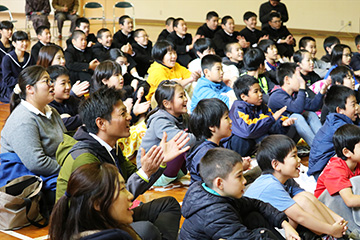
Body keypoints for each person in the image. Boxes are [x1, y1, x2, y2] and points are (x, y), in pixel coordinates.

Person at [56, 86, 187, 240]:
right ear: (101, 123)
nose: (129, 117)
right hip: (88, 229)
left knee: (168, 205)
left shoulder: (111, 147)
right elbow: (108, 200)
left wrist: (159, 162)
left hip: (108, 215)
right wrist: (144, 173)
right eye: (123, 113)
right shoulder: (84, 157)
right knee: (146, 230)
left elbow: (134, 179)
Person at [180, 147, 300, 240]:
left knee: (254, 217)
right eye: (239, 176)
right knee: (262, 234)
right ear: (220, 183)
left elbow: (256, 204)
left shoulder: (214, 193)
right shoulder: (214, 213)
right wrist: (265, 234)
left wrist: (285, 224)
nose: (245, 181)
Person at [245, 135, 348, 239]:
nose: (299, 160)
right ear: (276, 164)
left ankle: (338, 234)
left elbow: (311, 199)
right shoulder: (270, 185)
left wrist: (338, 220)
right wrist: (332, 230)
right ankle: (332, 235)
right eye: (294, 156)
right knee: (300, 202)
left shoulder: (286, 179)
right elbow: (300, 216)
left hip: (280, 225)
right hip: (265, 233)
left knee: (304, 196)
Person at [1, 66, 66, 206]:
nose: (52, 85)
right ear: (30, 89)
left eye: (51, 81)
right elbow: (37, 163)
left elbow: (65, 142)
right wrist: (68, 169)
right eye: (46, 81)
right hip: (30, 180)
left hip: (52, 172)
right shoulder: (23, 120)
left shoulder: (52, 111)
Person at [49, 162, 140, 240]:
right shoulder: (115, 237)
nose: (130, 196)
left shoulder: (73, 232)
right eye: (122, 189)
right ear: (97, 203)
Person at [137, 81, 196, 187]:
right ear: (166, 104)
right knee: (181, 142)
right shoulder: (159, 121)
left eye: (185, 95)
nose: (186, 99)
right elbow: (185, 140)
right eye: (181, 96)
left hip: (173, 171)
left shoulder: (183, 117)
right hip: (152, 174)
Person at [226, 74, 294, 156]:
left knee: (276, 127)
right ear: (244, 97)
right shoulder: (238, 108)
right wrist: (272, 119)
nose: (260, 94)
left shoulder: (261, 105)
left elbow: (271, 119)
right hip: (237, 148)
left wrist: (282, 123)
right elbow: (248, 130)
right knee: (262, 134)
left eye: (260, 90)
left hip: (253, 142)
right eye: (256, 91)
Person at [268, 63, 327, 146]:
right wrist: (302, 87)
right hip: (277, 139)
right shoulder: (277, 96)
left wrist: (321, 92)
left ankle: (325, 143)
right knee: (297, 117)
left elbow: (313, 106)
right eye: (298, 77)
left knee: (310, 114)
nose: (302, 80)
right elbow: (297, 109)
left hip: (289, 136)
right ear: (287, 80)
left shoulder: (294, 94)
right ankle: (318, 148)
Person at [315, 124, 360, 233]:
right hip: (327, 210)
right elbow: (350, 200)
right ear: (346, 152)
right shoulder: (336, 168)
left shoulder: (356, 163)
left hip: (345, 205)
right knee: (356, 181)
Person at [308, 85, 357, 180]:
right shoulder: (338, 125)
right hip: (321, 172)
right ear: (340, 110)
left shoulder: (337, 119)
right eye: (353, 105)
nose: (357, 108)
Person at [187, 98, 232, 183]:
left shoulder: (217, 145)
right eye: (226, 118)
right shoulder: (205, 153)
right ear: (212, 126)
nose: (231, 121)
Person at [48, 65, 89, 131]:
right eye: (63, 83)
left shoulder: (71, 100)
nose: (68, 87)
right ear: (51, 85)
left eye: (69, 82)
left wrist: (71, 121)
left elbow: (88, 110)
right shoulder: (48, 106)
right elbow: (64, 124)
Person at [1, 31, 35, 103]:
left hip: (27, 88)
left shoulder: (29, 57)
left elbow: (33, 74)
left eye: (26, 41)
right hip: (11, 90)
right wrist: (23, 82)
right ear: (14, 43)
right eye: (22, 41)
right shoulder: (7, 59)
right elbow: (7, 80)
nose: (25, 43)